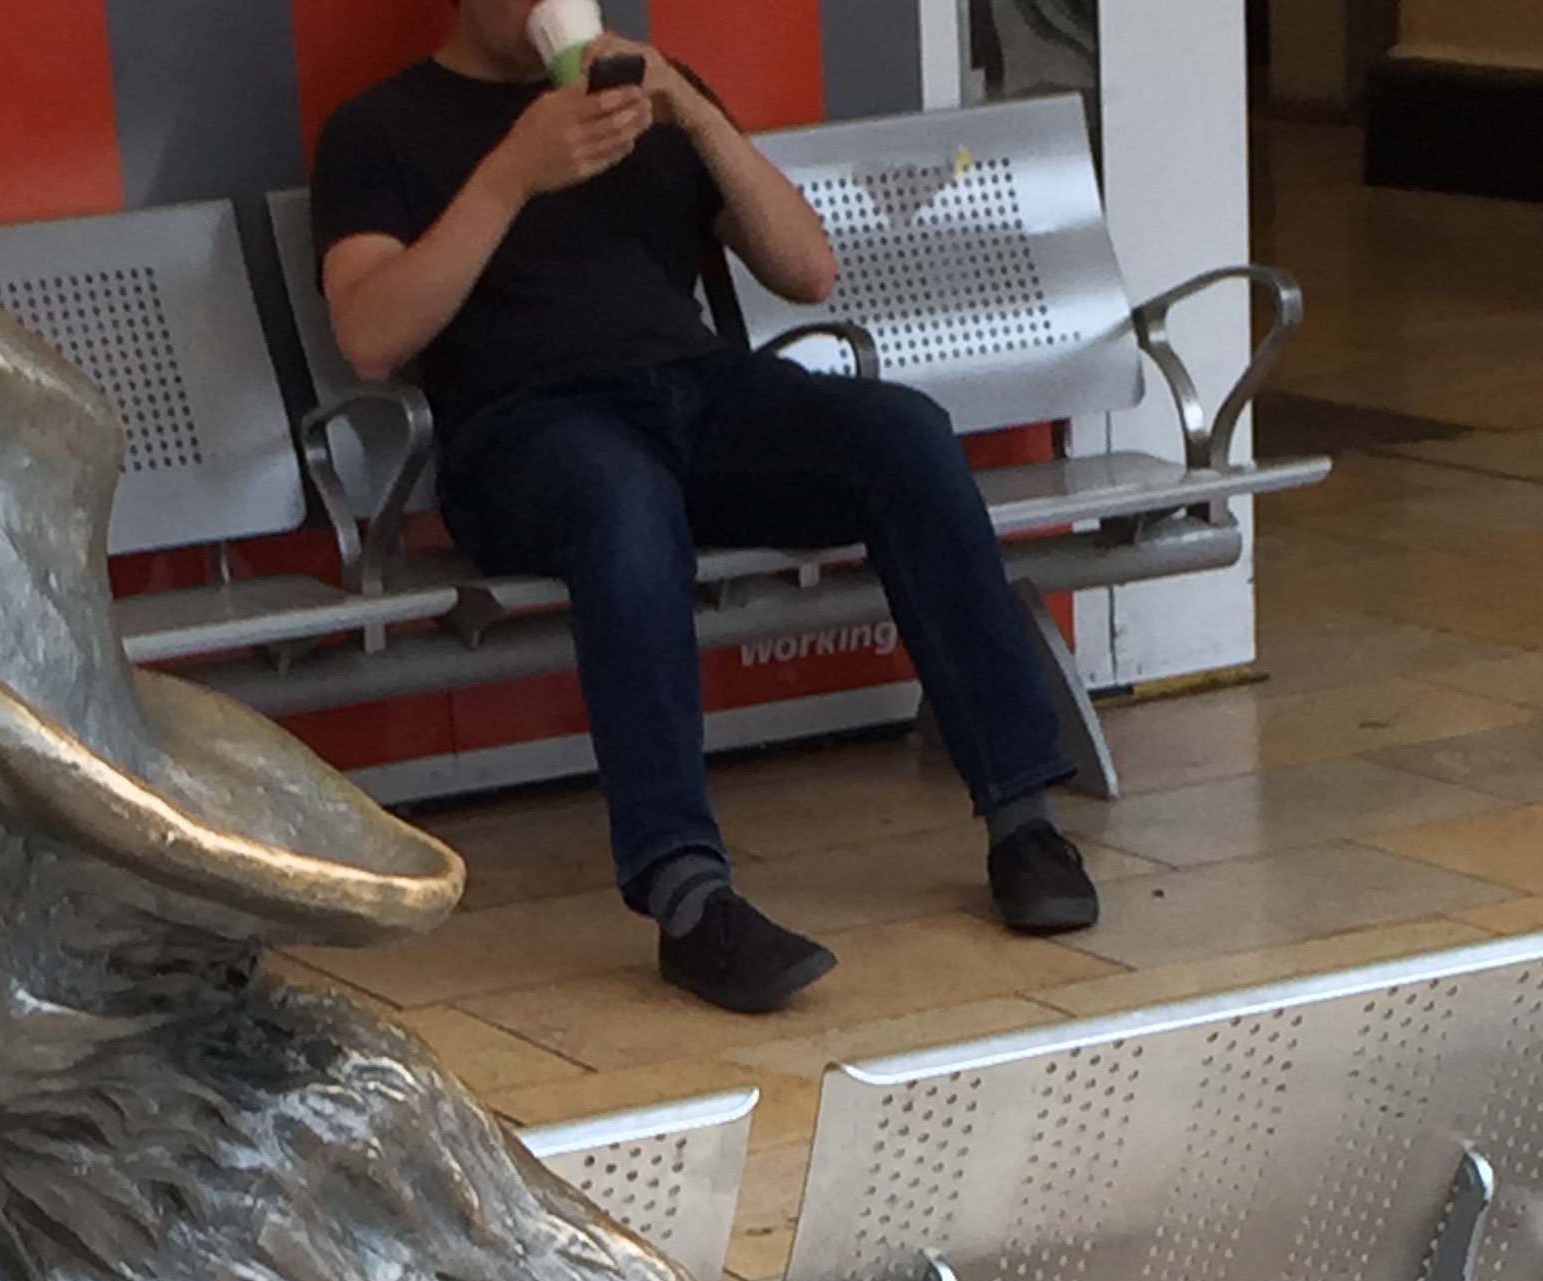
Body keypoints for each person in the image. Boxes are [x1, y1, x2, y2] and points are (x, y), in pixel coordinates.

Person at [310, 3, 1102, 1014]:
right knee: (625, 503)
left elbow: (807, 270)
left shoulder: (650, 94)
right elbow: (370, 335)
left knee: (905, 435)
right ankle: (686, 895)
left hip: (698, 393)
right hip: (523, 428)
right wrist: (512, 174)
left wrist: (689, 107)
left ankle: (1023, 821)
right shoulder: (379, 128)